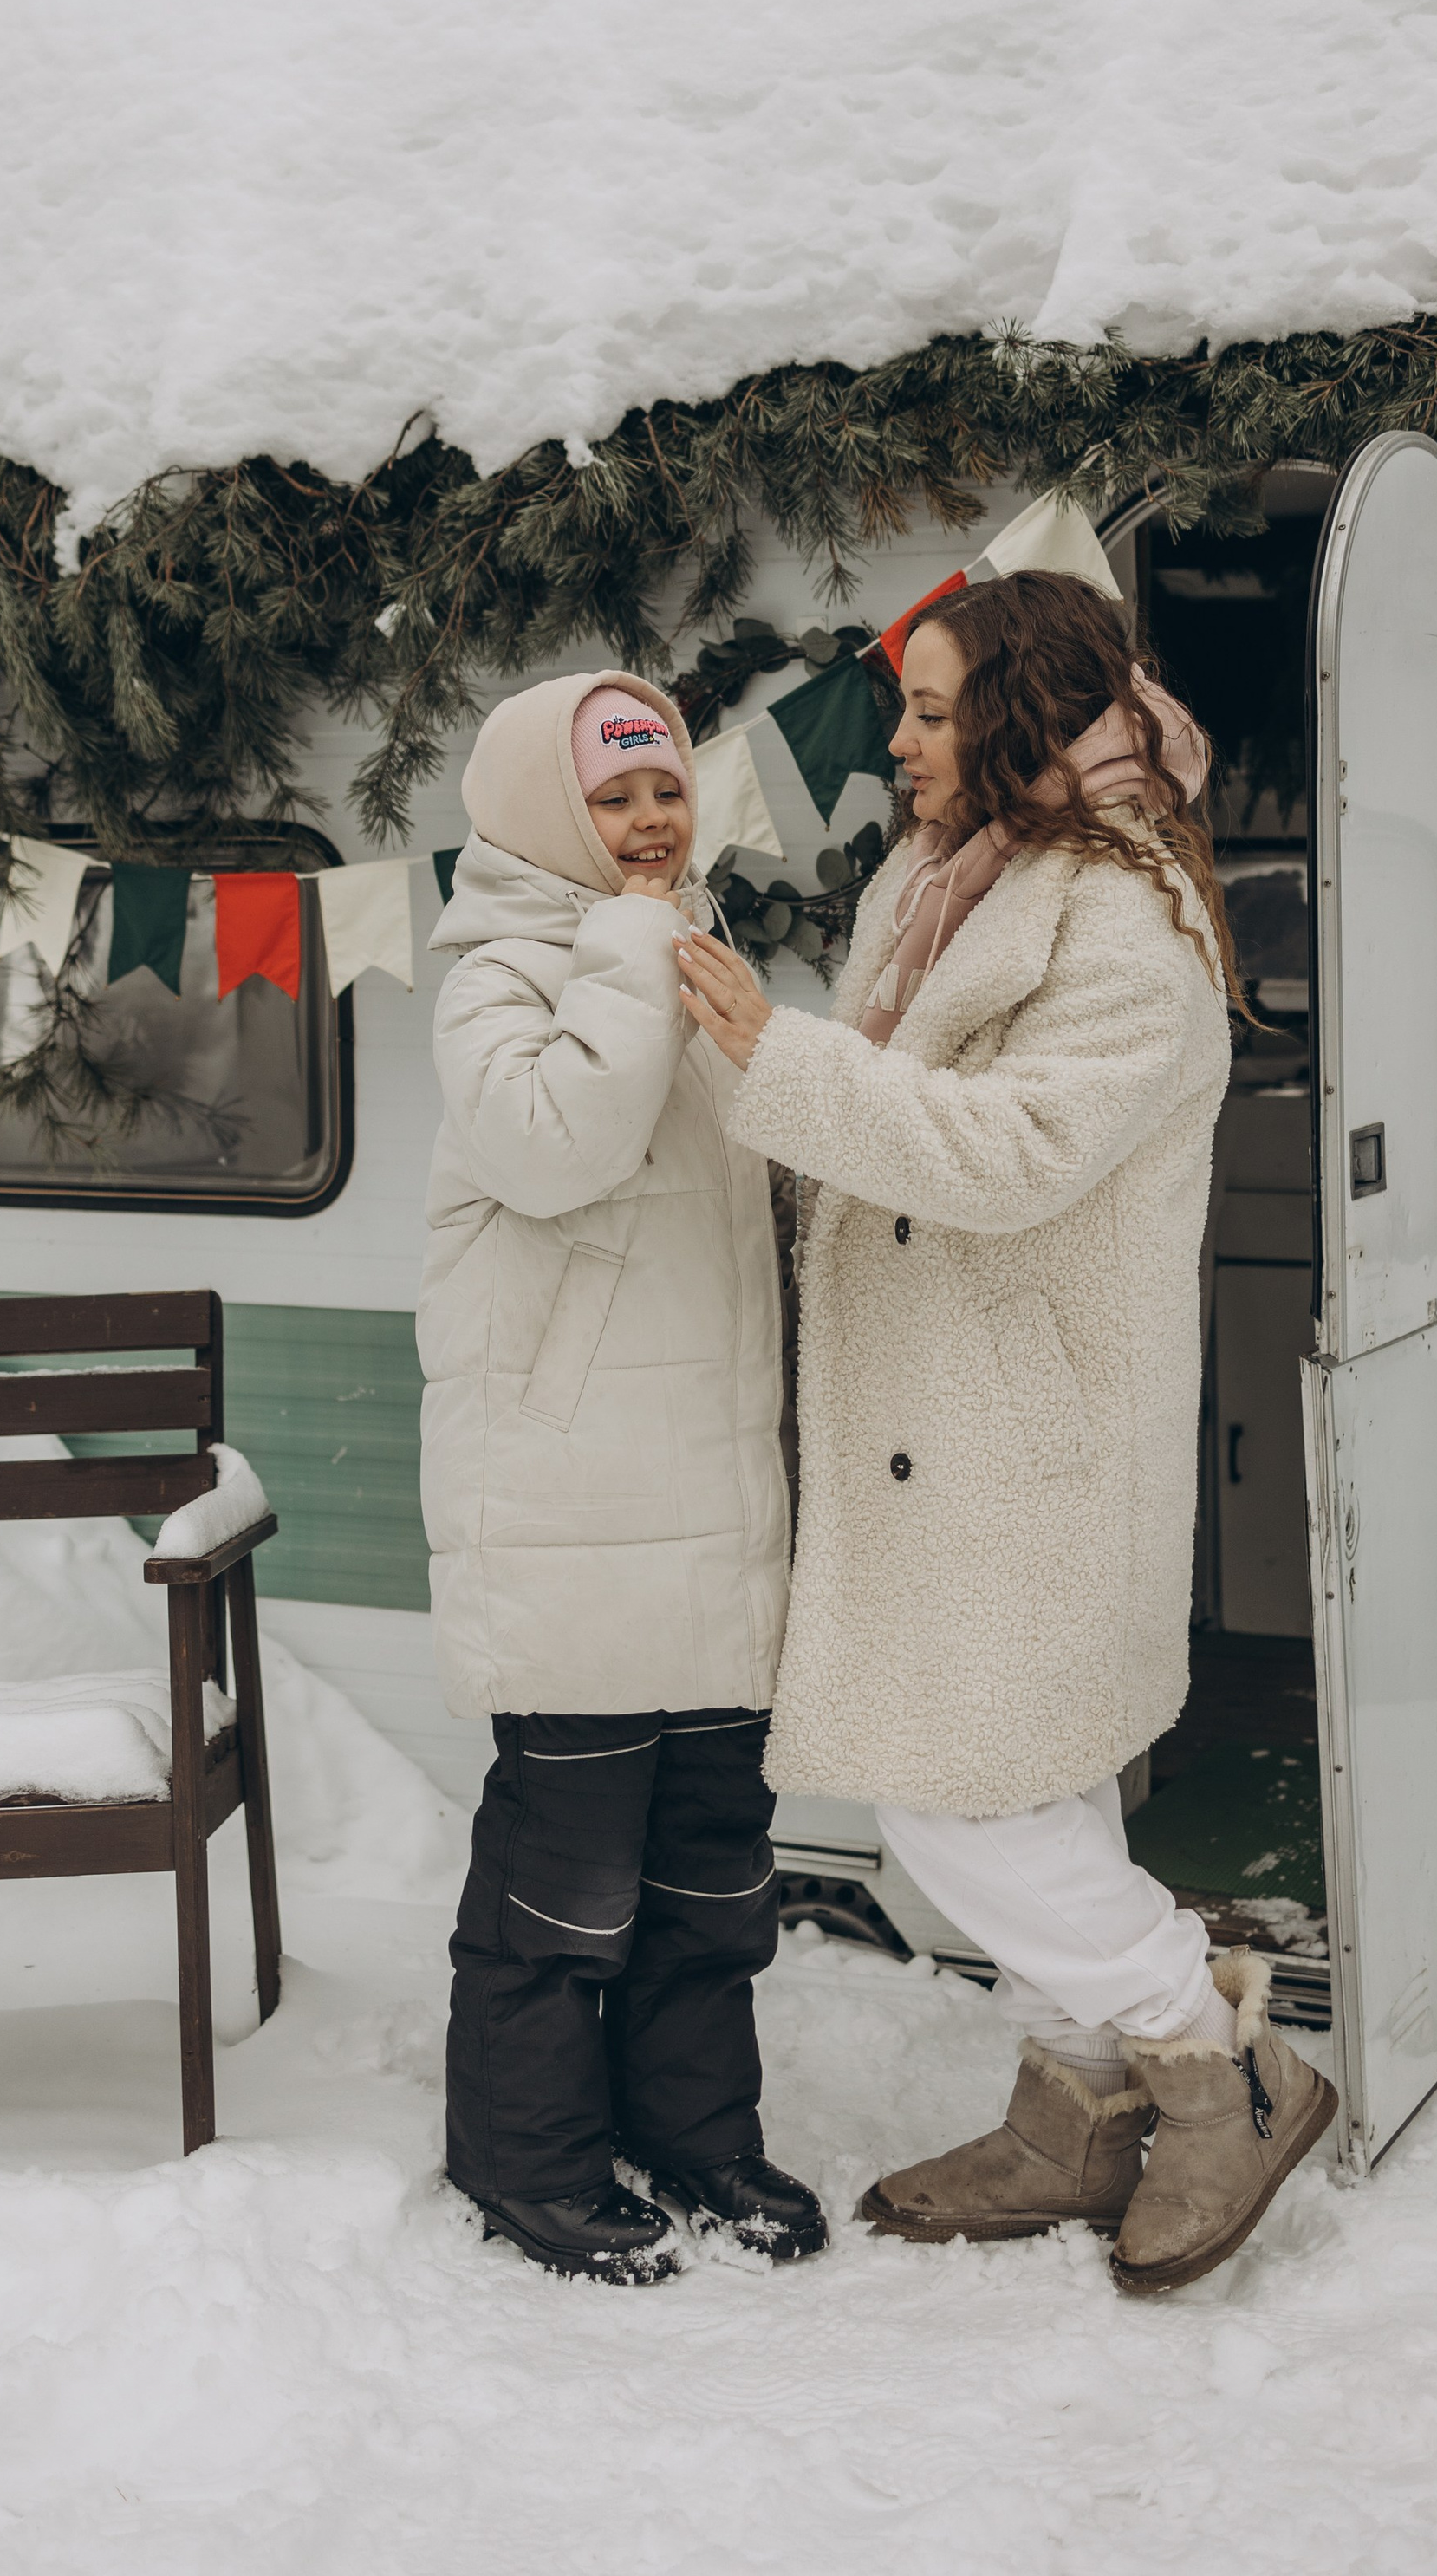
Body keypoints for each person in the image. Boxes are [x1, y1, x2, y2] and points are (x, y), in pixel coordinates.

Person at [673, 572, 1336, 2298]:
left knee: (957, 1800)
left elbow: (1013, 1150)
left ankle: (1223, 2067)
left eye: (931, 704)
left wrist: (782, 1058)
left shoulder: (1125, 923)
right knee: (1029, 1783)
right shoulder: (950, 870)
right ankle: (1079, 2119)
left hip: (1023, 1433)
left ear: (1026, 716)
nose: (896, 737)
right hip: (947, 1418)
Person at [419, 669, 826, 2285]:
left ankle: (693, 2129)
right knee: (565, 1876)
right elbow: (552, 1147)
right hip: (572, 1495)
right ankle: (524, 2159)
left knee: (713, 1863)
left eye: (667, 791)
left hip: (717, 1494)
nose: (655, 822)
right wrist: (628, 948)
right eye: (615, 797)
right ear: (539, 812)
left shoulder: (684, 947)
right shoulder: (504, 973)